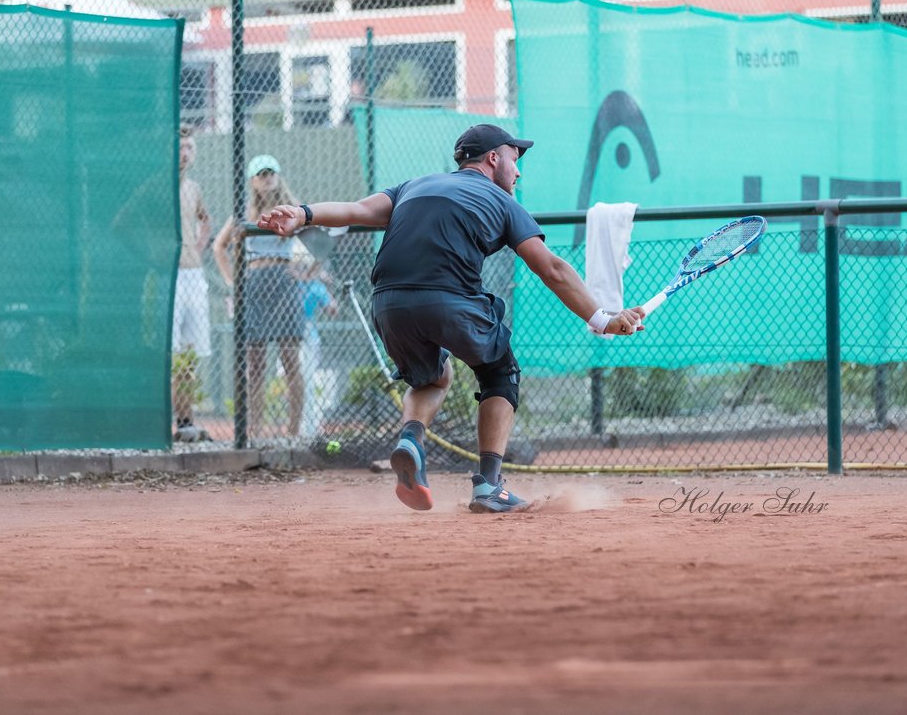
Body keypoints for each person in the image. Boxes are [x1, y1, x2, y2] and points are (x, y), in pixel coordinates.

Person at [256, 123, 645, 514]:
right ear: (494, 158)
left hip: (388, 303)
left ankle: (410, 439)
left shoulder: (413, 185)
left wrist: (303, 214)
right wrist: (602, 319)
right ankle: (489, 486)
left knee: (433, 376)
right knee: (499, 372)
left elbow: (356, 211)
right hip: (447, 298)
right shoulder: (504, 202)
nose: (519, 171)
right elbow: (553, 269)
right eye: (514, 158)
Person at [213, 155, 306, 438]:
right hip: (253, 284)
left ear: (278, 177)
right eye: (262, 174)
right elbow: (219, 246)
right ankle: (253, 431)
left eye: (271, 173)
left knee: (290, 358)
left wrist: (307, 272)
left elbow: (321, 242)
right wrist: (233, 282)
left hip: (284, 284)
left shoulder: (293, 210)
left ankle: (293, 432)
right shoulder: (244, 211)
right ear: (253, 180)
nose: (268, 178)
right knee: (255, 363)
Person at [172, 128, 214, 442]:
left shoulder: (194, 188)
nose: (185, 152)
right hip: (169, 276)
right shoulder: (159, 187)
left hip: (193, 274)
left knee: (189, 352)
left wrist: (199, 245)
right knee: (170, 352)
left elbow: (206, 219)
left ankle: (186, 421)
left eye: (189, 147)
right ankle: (167, 419)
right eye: (180, 146)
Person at [292, 245, 338, 439]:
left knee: (308, 382)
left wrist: (330, 286)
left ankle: (308, 427)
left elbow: (333, 309)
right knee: (297, 381)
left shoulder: (315, 286)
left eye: (305, 265)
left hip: (308, 335)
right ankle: (297, 426)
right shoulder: (293, 283)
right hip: (292, 334)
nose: (302, 269)